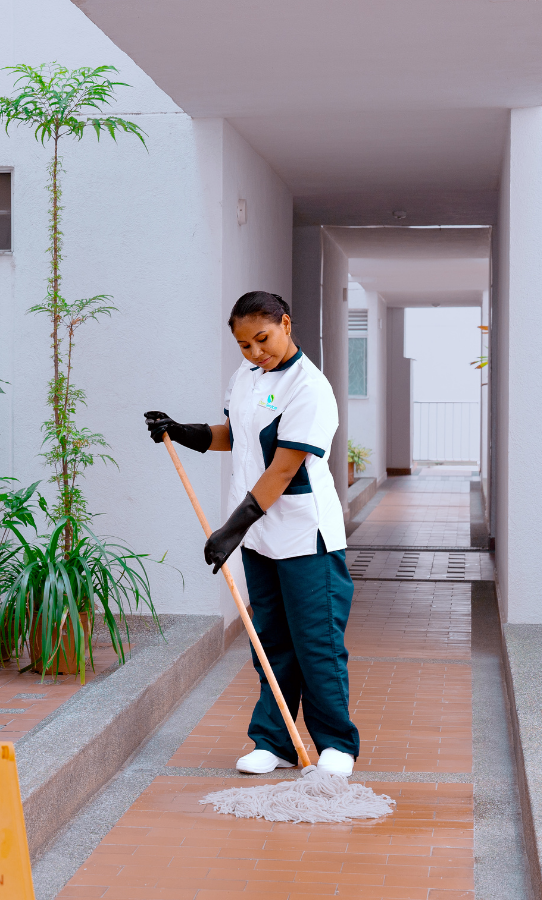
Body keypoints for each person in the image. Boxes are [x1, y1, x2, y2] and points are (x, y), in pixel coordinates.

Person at [144, 290, 359, 776]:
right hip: (261, 537)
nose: (255, 352)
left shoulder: (309, 387)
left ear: (285, 323)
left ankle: (336, 746)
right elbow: (233, 434)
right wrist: (183, 430)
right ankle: (274, 741)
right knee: (271, 642)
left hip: (307, 537)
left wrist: (229, 531)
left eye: (263, 339)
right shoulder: (247, 376)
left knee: (316, 643)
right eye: (244, 345)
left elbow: (283, 469)